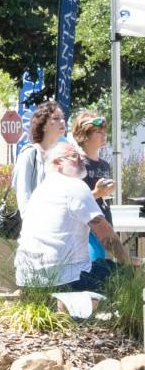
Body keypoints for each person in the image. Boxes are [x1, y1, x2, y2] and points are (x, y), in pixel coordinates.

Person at [15, 138, 137, 291]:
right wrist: (127, 262)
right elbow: (105, 234)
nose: (81, 159)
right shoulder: (75, 185)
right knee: (124, 271)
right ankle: (94, 304)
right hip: (66, 279)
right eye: (74, 156)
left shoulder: (39, 191)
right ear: (57, 163)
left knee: (100, 265)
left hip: (26, 280)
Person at [71, 110, 119, 266]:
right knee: (92, 268)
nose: (104, 136)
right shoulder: (76, 164)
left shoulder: (104, 165)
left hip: (104, 223)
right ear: (83, 135)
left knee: (105, 269)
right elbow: (72, 202)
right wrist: (97, 193)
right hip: (86, 230)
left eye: (104, 132)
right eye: (98, 132)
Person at [12, 99, 67, 215]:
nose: (62, 121)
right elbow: (23, 196)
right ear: (43, 126)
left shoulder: (63, 155)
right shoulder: (29, 154)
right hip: (37, 222)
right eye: (56, 118)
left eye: (63, 117)